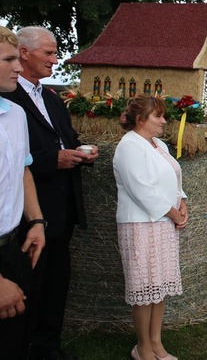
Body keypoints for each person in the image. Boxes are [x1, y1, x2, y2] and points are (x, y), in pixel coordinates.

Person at [1, 26, 99, 360]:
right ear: (25, 54)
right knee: (29, 288)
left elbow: (56, 142)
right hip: (30, 213)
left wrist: (80, 152)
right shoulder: (11, 98)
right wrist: (52, 160)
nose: (55, 60)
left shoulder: (50, 98)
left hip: (56, 212)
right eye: (49, 53)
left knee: (56, 285)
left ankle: (47, 348)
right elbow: (27, 162)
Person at [113, 95, 188, 360]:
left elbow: (174, 176)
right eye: (158, 116)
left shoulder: (158, 145)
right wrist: (174, 213)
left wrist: (182, 203)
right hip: (140, 224)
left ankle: (156, 342)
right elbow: (141, 190)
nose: (164, 121)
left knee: (160, 285)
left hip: (164, 222)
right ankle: (142, 347)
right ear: (140, 120)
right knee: (144, 288)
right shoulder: (129, 146)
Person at [0, 27, 46, 360]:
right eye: (8, 59)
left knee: (16, 340)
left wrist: (37, 221)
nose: (18, 67)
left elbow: (23, 170)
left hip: (13, 247)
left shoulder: (16, 115)